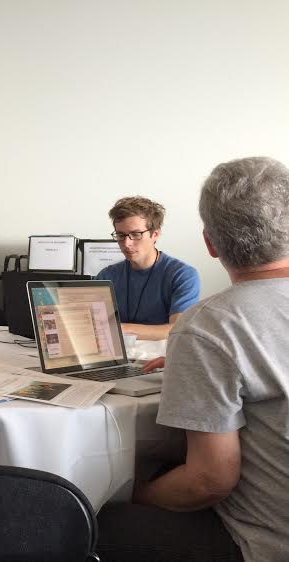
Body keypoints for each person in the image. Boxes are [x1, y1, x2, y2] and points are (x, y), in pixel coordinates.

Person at [97, 157, 289, 561]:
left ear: (210, 243)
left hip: (264, 543)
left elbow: (209, 482)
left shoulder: (209, 326)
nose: (127, 244)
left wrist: (135, 493)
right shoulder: (206, 330)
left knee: (102, 518)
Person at [96, 196, 200, 340]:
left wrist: (121, 329)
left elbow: (177, 330)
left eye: (135, 234)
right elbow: (95, 327)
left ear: (155, 234)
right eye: (120, 235)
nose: (127, 243)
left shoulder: (182, 275)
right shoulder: (106, 276)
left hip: (161, 359)